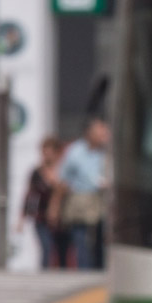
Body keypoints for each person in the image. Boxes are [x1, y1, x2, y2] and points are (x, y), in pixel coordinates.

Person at [55, 117, 110, 272]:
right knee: (80, 239)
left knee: (100, 238)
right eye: (99, 131)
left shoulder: (106, 152)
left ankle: (99, 269)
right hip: (80, 200)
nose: (103, 134)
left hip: (100, 200)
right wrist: (56, 206)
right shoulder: (75, 152)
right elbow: (62, 180)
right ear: (89, 133)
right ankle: (84, 270)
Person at [19, 136, 66, 269]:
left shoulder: (63, 171)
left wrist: (55, 182)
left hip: (61, 217)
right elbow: (29, 195)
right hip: (41, 216)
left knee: (62, 248)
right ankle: (45, 273)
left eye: (49, 152)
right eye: (44, 152)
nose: (46, 156)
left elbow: (65, 191)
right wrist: (22, 217)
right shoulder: (36, 172)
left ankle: (62, 277)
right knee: (47, 246)